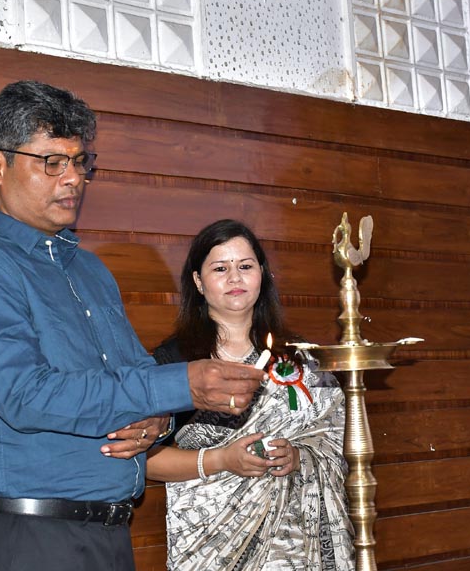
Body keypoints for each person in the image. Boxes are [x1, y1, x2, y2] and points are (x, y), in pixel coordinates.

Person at [0, 80, 266, 571]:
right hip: (25, 540)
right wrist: (178, 386)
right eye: (51, 162)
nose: (73, 179)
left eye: (80, 161)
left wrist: (158, 421)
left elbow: (136, 375)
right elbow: (26, 395)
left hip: (107, 534)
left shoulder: (90, 271)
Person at [140, 219, 355, 570]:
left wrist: (299, 457)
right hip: (212, 545)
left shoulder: (299, 359)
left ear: (262, 274)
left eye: (245, 266)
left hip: (295, 547)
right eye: (220, 268)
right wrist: (222, 459)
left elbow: (333, 442)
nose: (234, 278)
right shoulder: (175, 361)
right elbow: (144, 458)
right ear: (198, 281)